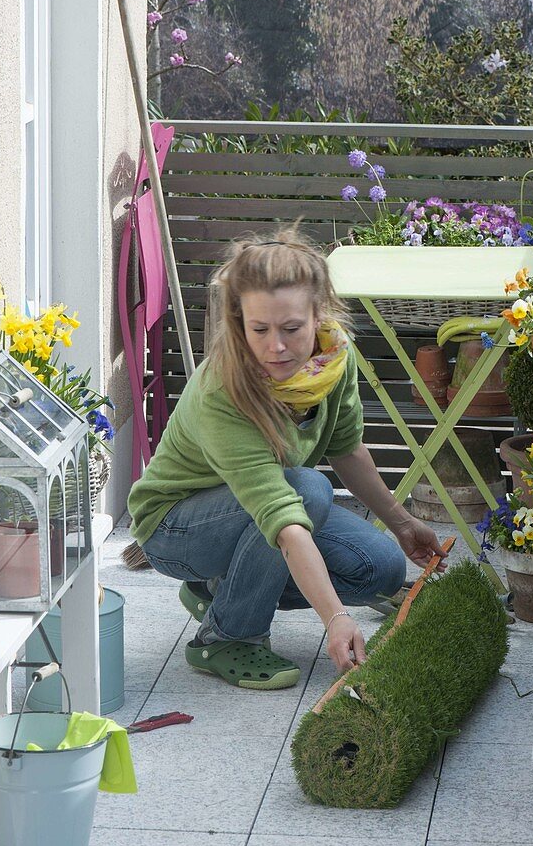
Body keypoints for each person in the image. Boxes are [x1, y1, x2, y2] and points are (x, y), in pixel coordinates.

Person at [127, 227, 441, 690]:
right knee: (307, 489)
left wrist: (401, 523)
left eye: (291, 329)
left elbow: (348, 448)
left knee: (381, 570)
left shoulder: (334, 360)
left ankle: (224, 591)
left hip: (261, 508)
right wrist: (334, 618)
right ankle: (227, 635)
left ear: (318, 317)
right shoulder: (224, 390)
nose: (276, 346)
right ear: (239, 323)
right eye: (259, 330)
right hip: (175, 528)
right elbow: (282, 516)